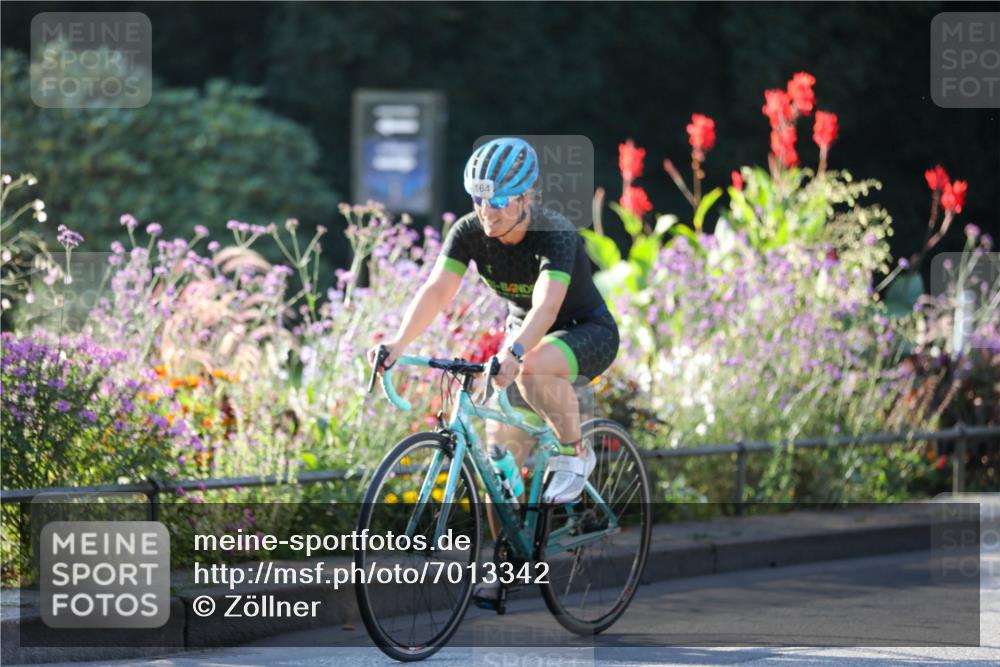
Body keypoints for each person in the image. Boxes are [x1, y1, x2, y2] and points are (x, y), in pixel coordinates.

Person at [366, 137, 620, 606]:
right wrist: (398, 344)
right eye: (479, 198)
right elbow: (438, 289)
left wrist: (515, 352)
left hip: (583, 329)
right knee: (497, 462)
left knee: (532, 371)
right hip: (523, 334)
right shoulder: (468, 231)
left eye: (500, 199)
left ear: (527, 197)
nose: (488, 210)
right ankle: (511, 565)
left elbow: (545, 308)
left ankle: (574, 452)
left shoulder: (555, 234)